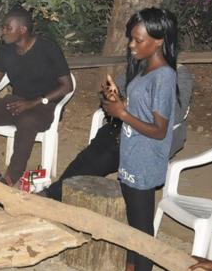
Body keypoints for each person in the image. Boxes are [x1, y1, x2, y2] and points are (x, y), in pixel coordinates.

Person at [90, 8, 178, 271]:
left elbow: (159, 129)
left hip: (144, 162)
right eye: (131, 37)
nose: (131, 44)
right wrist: (119, 101)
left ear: (158, 41)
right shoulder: (144, 69)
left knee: (143, 233)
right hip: (131, 156)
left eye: (138, 39)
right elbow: (138, 110)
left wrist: (123, 114)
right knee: (133, 224)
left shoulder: (165, 77)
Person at [41, 64, 194, 201]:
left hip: (155, 136)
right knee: (94, 152)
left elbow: (176, 114)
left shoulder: (179, 74)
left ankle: (53, 194)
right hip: (123, 128)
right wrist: (111, 97)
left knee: (105, 154)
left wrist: (127, 106)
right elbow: (110, 95)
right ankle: (58, 191)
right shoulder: (137, 67)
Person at [0, 6, 73, 185]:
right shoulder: (6, 49)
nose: (3, 32)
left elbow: (67, 86)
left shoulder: (47, 47)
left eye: (8, 28)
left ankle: (10, 177)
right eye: (3, 27)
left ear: (23, 30)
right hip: (18, 102)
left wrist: (35, 102)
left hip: (45, 104)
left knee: (27, 121)